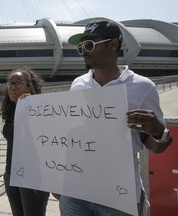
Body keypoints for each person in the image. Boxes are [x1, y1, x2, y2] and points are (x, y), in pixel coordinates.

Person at [58, 20, 173, 216]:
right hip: (76, 193)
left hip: (119, 196)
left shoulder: (143, 87)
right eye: (81, 46)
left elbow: (156, 145)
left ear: (113, 45)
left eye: (90, 45)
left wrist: (157, 131)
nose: (83, 51)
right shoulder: (78, 84)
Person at [0, 68, 50, 216]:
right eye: (10, 82)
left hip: (33, 176)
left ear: (29, 87)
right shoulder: (11, 110)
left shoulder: (39, 110)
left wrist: (31, 107)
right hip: (11, 174)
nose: (12, 87)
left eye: (18, 83)